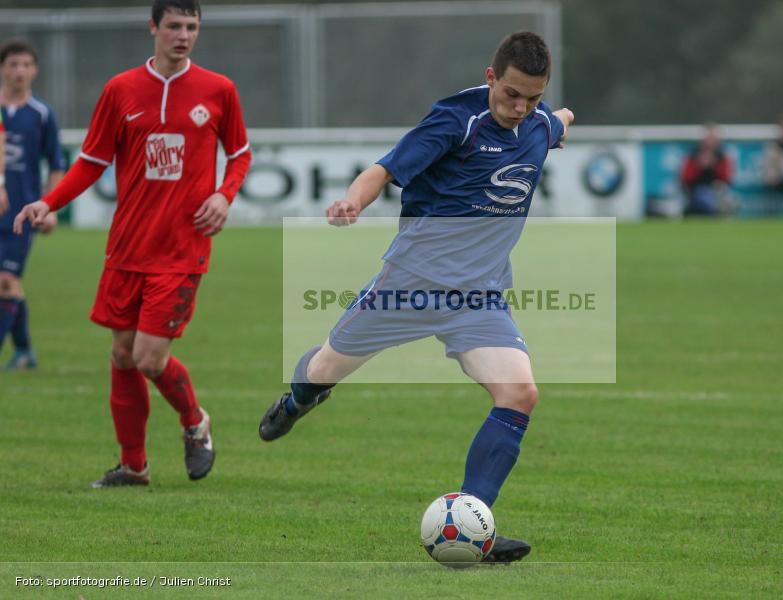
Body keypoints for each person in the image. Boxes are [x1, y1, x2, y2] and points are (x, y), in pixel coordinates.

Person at [258, 31, 574, 564]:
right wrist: (352, 203)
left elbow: (557, 122)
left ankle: (474, 523)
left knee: (520, 393)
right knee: (325, 369)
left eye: (533, 99)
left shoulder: (539, 125)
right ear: (490, 76)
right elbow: (383, 170)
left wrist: (561, 116)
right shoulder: (455, 122)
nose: (519, 109)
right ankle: (296, 402)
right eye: (511, 94)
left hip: (480, 297)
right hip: (410, 286)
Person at [14, 0, 251, 488]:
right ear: (153, 28)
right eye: (174, 26)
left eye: (191, 27)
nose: (183, 35)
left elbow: (241, 155)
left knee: (148, 358)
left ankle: (195, 422)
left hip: (183, 247)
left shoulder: (219, 90)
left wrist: (224, 196)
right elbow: (90, 162)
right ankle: (134, 466)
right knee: (122, 354)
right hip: (127, 246)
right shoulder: (121, 90)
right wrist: (49, 202)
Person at [0, 39, 66, 370]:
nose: (19, 71)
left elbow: (56, 163)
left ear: (35, 70)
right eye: (13, 64)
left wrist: (50, 207)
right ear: (2, 69)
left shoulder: (41, 115)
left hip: (20, 214)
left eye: (26, 65)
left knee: (6, 281)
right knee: (10, 286)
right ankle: (25, 351)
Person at [680, 123, 737, 216]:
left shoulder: (722, 155)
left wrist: (715, 166)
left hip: (718, 191)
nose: (710, 140)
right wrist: (698, 166)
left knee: (731, 200)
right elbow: (686, 179)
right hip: (696, 191)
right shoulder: (693, 154)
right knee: (703, 197)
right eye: (708, 136)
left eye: (713, 136)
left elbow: (728, 178)